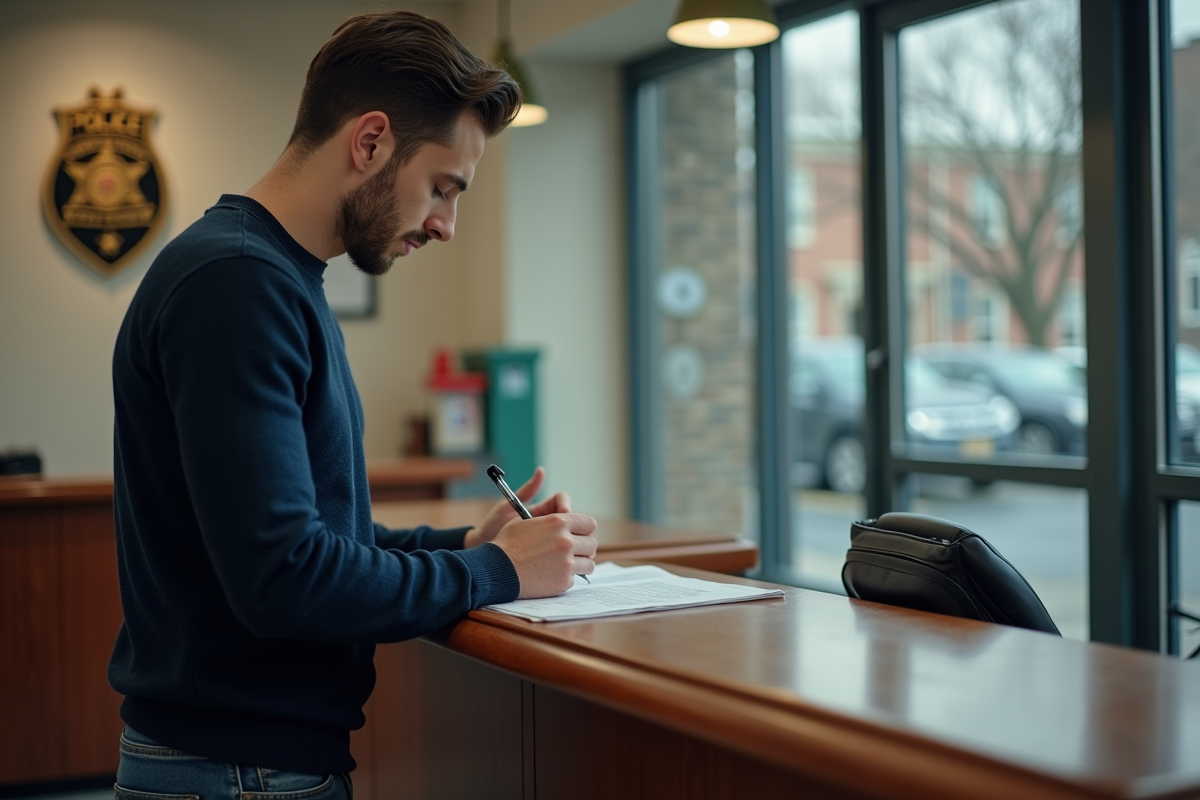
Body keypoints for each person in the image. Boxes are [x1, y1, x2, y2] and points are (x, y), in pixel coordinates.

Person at [108, 10, 597, 796]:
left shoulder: (266, 276)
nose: (445, 224)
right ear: (370, 142)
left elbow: (313, 533)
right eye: (443, 187)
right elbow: (283, 578)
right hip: (240, 772)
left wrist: (465, 542)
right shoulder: (238, 285)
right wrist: (492, 573)